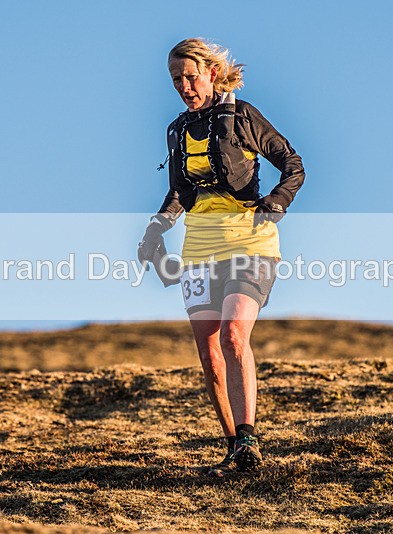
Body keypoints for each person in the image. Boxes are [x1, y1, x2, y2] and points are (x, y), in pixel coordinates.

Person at [138, 38, 305, 476]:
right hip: (199, 247)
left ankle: (249, 438)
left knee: (233, 335)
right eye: (176, 79)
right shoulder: (176, 130)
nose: (184, 86)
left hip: (250, 240)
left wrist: (276, 202)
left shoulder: (242, 116)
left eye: (191, 76)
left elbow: (293, 164)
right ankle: (235, 449)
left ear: (211, 73)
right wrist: (155, 228)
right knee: (209, 353)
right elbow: (179, 192)